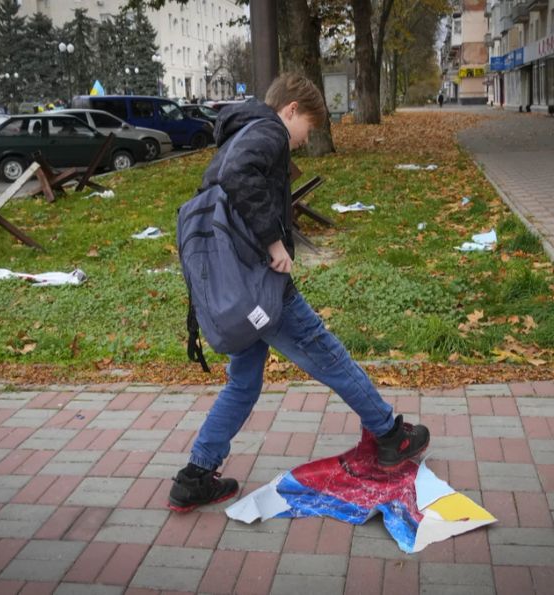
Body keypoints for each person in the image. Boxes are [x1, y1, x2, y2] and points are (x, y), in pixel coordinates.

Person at [168, 73, 430, 513]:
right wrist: (274, 242)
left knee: (243, 383)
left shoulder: (237, 134)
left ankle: (195, 475)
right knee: (327, 353)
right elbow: (240, 176)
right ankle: (389, 435)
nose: (304, 141)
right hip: (262, 286)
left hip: (239, 293)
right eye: (307, 129)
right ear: (290, 110)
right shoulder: (268, 130)